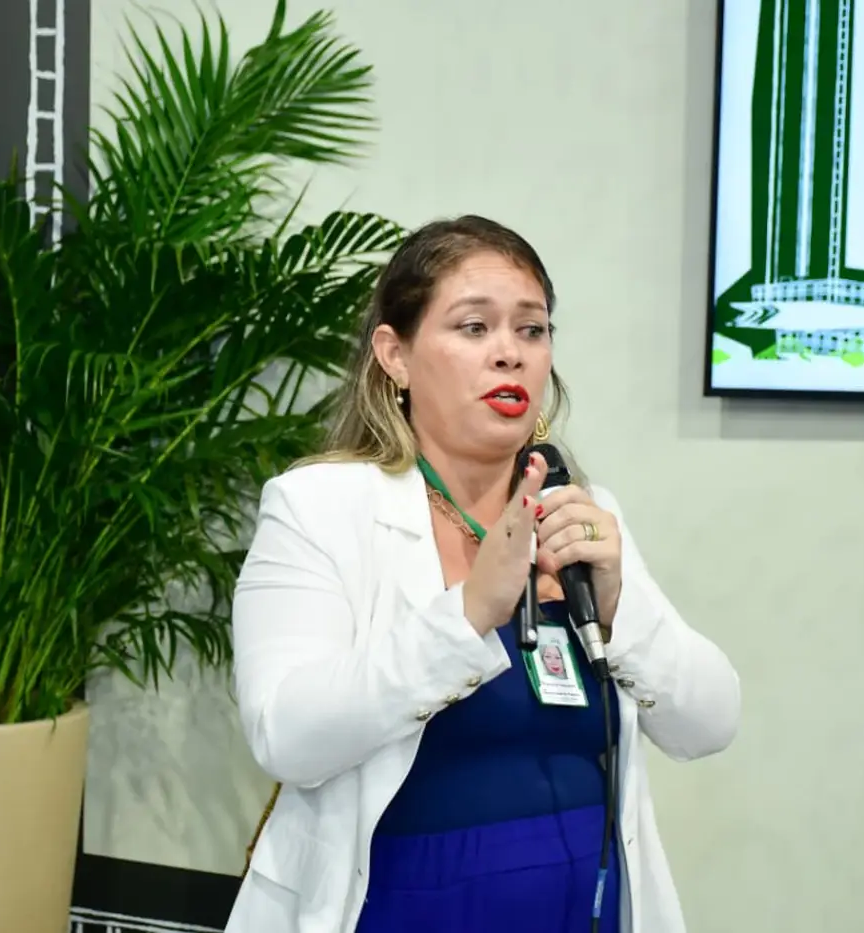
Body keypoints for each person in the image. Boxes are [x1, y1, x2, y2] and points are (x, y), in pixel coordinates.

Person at [224, 215, 741, 933]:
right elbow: (286, 734)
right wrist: (467, 614)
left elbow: (710, 722)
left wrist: (619, 605)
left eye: (532, 329)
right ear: (395, 355)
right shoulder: (320, 507)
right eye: (474, 327)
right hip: (397, 908)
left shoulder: (581, 511)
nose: (510, 353)